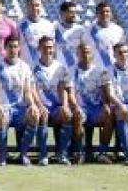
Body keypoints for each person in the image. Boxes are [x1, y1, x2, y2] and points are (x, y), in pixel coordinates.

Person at [0, 36, 40, 166]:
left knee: (34, 115)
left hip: (20, 108)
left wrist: (33, 105)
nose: (13, 49)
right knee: (1, 116)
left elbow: (27, 92)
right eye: (10, 46)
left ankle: (23, 153)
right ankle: (3, 154)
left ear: (19, 48)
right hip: (4, 107)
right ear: (5, 48)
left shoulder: (25, 67)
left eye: (15, 46)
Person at [31, 35, 74, 165]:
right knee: (42, 115)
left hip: (56, 107)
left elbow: (65, 89)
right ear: (39, 48)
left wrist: (65, 105)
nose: (48, 50)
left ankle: (62, 154)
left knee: (67, 114)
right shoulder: (33, 67)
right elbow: (32, 90)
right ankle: (43, 155)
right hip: (41, 105)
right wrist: (39, 105)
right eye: (45, 47)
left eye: (50, 47)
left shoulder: (61, 68)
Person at [68, 41, 111, 164]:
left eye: (87, 52)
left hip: (96, 108)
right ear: (77, 54)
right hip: (81, 107)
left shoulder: (100, 71)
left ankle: (103, 152)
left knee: (108, 115)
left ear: (92, 54)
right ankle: (80, 152)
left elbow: (105, 92)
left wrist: (105, 106)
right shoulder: (71, 71)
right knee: (77, 115)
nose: (85, 55)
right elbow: (70, 92)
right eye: (82, 53)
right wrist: (76, 107)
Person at [85, 1, 124, 70]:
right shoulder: (88, 32)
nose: (105, 14)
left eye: (107, 11)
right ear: (97, 14)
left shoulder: (119, 30)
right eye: (102, 12)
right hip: (97, 71)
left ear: (111, 13)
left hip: (116, 70)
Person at [18, 0, 55, 67]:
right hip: (26, 69)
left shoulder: (49, 25)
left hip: (44, 69)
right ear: (26, 7)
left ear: (41, 6)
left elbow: (53, 49)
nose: (34, 8)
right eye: (31, 5)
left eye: (37, 5)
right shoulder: (19, 26)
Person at [54, 0, 87, 69]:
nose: (74, 15)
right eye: (71, 12)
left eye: (75, 12)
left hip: (77, 70)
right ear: (62, 13)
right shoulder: (54, 29)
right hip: (59, 70)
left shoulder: (80, 30)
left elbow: (85, 50)